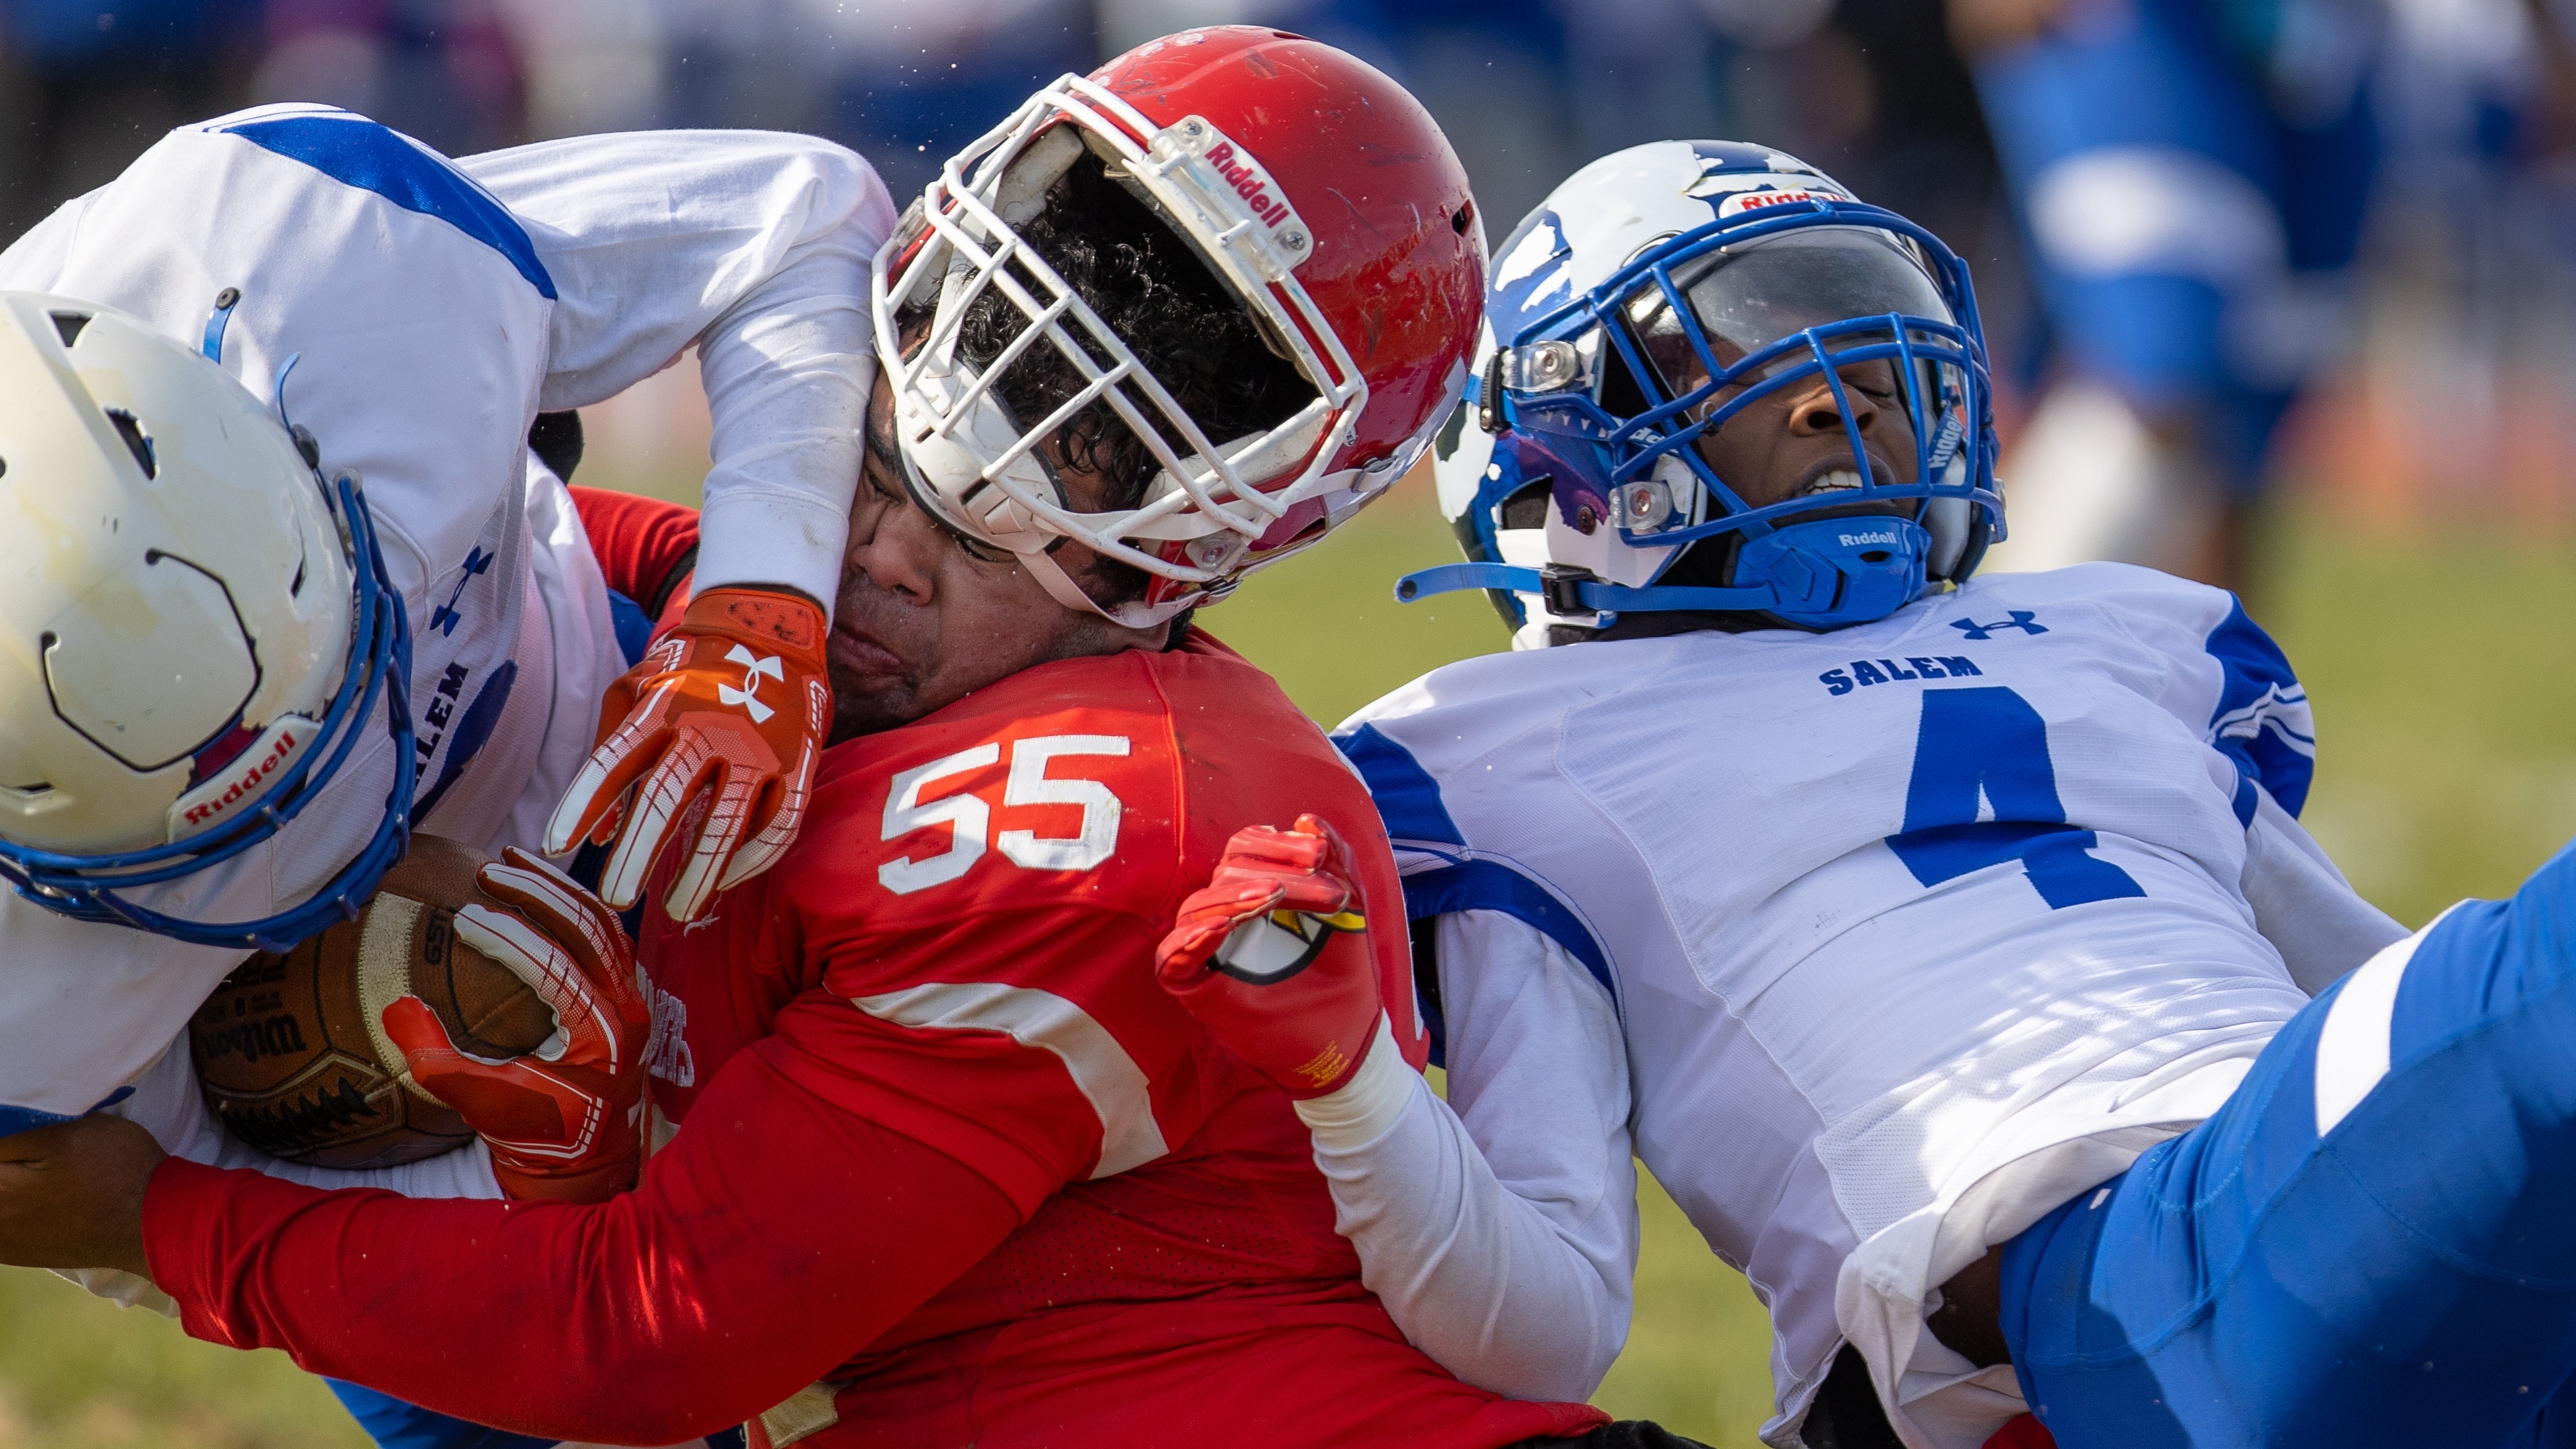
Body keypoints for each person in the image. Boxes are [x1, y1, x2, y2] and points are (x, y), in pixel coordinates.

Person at [0, 29, 1707, 1449]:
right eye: (868, 466)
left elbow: (652, 1333)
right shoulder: (740, 610)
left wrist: (159, 1216)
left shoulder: (1112, 812)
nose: (871, 554)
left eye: (969, 541)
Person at [1135, 139, 2576, 1449]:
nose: (1842, 395)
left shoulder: (2119, 637)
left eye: (1870, 352)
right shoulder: (1512, 752)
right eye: (1752, 355)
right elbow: (1551, 1320)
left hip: (2298, 1216)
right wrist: (1352, 1087)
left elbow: (2370, 993)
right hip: (2102, 1286)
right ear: (1565, 445)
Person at [0, 101, 892, 1448]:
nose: (332, 806)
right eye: (230, 831)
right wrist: (522, 1180)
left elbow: (795, 213)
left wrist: (757, 606)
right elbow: (111, 1200)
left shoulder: (305, 243)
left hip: (618, 702)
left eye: (320, 700)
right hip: (329, 1091)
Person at [1947, 0, 2378, 594]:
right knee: (2162, 381)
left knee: (2241, 442)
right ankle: (2004, 645)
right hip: (2148, 58)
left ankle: (2216, 682)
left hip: (2311, 72)